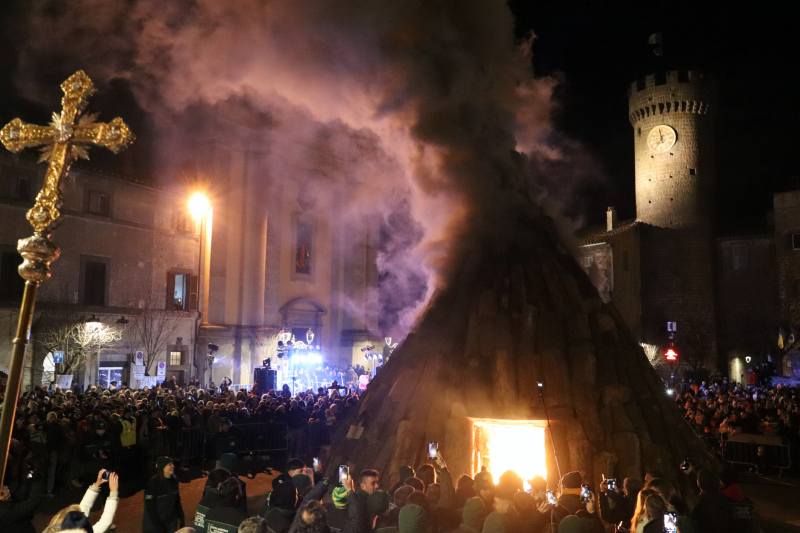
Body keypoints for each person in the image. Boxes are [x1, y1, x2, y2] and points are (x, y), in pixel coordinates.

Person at [43, 469, 119, 533]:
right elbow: (104, 523)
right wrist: (113, 493)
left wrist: (96, 484)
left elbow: (83, 508)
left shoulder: (57, 527)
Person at [143, 456, 185, 533]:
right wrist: (159, 527)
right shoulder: (153, 483)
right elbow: (150, 508)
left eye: (172, 463)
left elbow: (177, 501)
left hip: (171, 522)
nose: (173, 466)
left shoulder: (174, 481)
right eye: (169, 464)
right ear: (162, 467)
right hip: (154, 525)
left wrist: (182, 518)